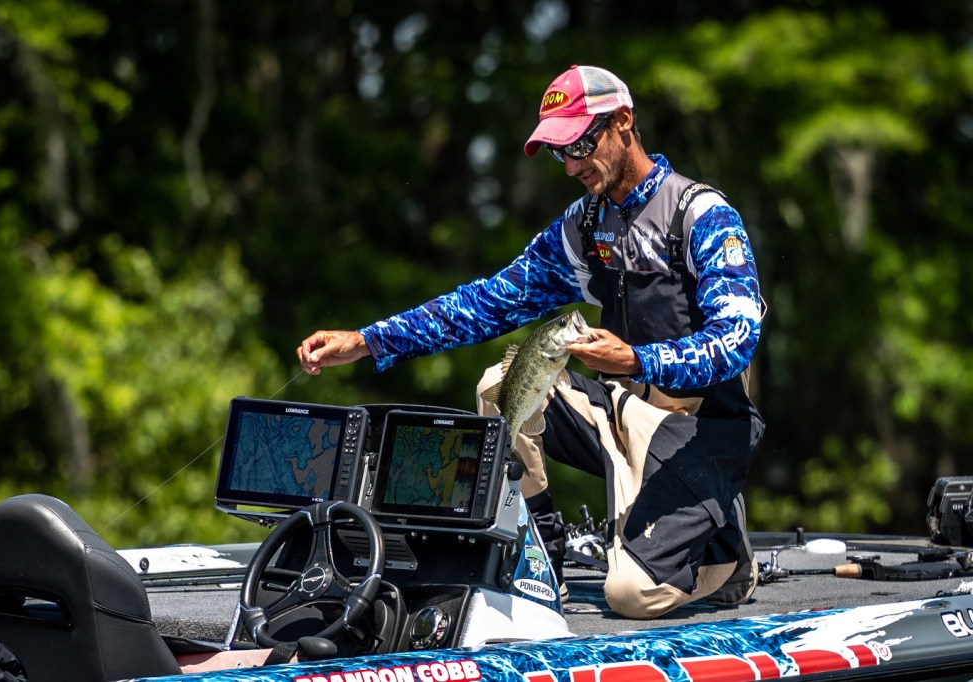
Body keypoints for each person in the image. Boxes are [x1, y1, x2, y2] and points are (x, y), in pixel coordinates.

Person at [297, 65, 764, 618]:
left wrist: (635, 359)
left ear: (623, 122)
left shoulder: (702, 215)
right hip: (621, 411)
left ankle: (725, 547)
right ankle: (543, 554)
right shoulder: (582, 227)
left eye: (579, 146)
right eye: (558, 153)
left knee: (630, 596)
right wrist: (369, 341)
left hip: (699, 431)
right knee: (498, 385)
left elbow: (736, 339)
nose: (570, 166)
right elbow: (486, 302)